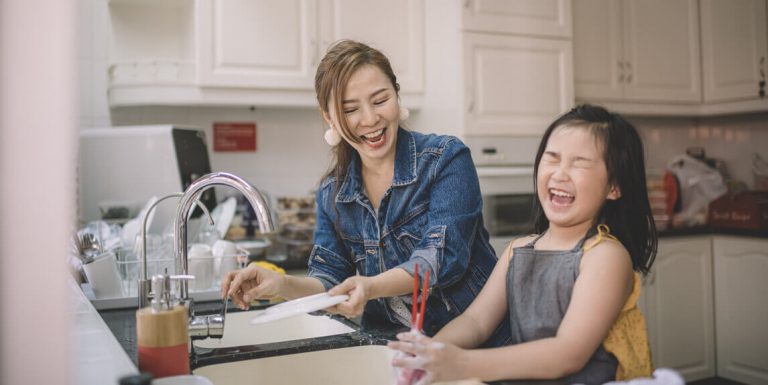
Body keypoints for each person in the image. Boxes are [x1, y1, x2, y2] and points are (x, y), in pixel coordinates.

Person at [221, 39, 509, 343]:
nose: (370, 119)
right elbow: (329, 279)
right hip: (396, 353)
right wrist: (282, 285)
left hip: (478, 346)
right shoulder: (332, 192)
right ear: (329, 118)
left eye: (380, 100)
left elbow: (440, 258)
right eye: (350, 109)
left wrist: (370, 286)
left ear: (397, 96)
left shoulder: (446, 158)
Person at [389, 104, 658, 384]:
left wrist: (461, 363)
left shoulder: (605, 256)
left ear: (614, 186)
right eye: (552, 158)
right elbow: (476, 323)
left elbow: (567, 354)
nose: (560, 173)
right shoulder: (518, 251)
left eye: (579, 163)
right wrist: (430, 352)